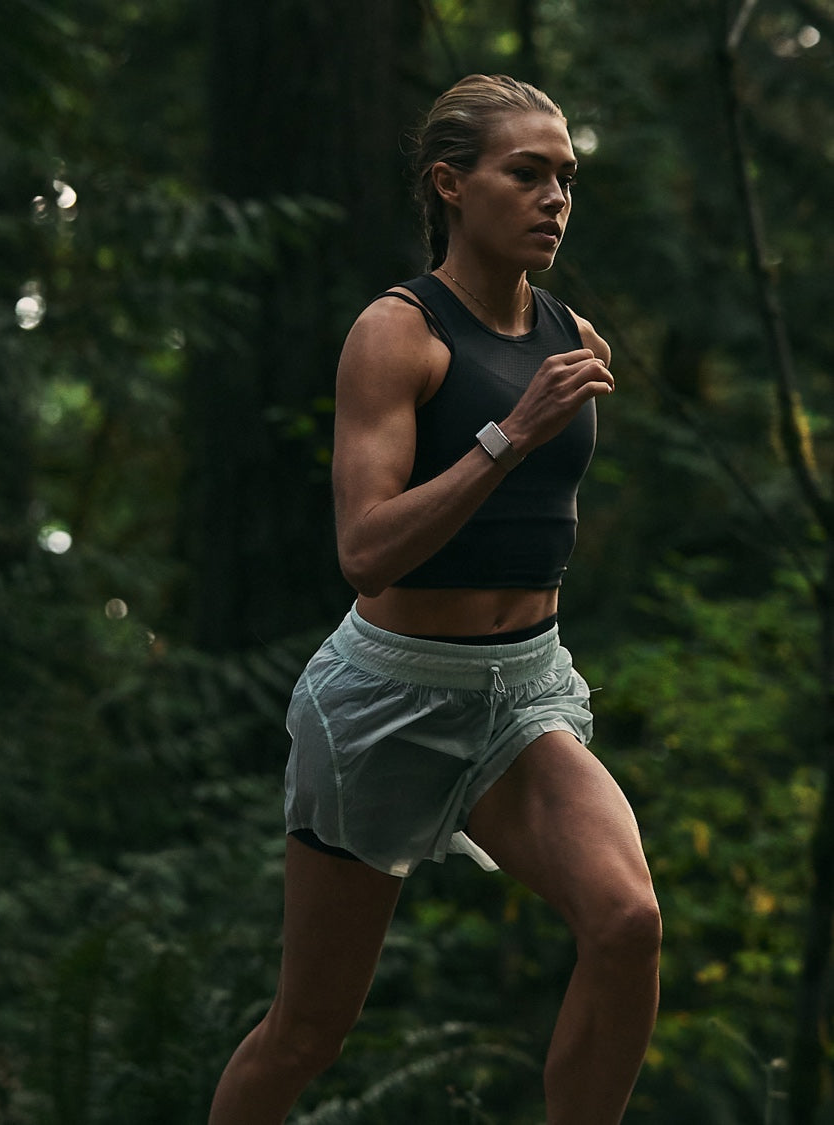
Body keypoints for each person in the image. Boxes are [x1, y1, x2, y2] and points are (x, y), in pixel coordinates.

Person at [208, 74, 661, 1125]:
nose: (555, 197)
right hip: (389, 702)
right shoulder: (397, 334)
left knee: (628, 920)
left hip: (523, 693)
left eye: (567, 178)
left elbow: (550, 517)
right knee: (310, 1031)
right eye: (527, 173)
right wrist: (508, 437)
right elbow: (366, 552)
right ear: (451, 185)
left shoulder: (572, 336)